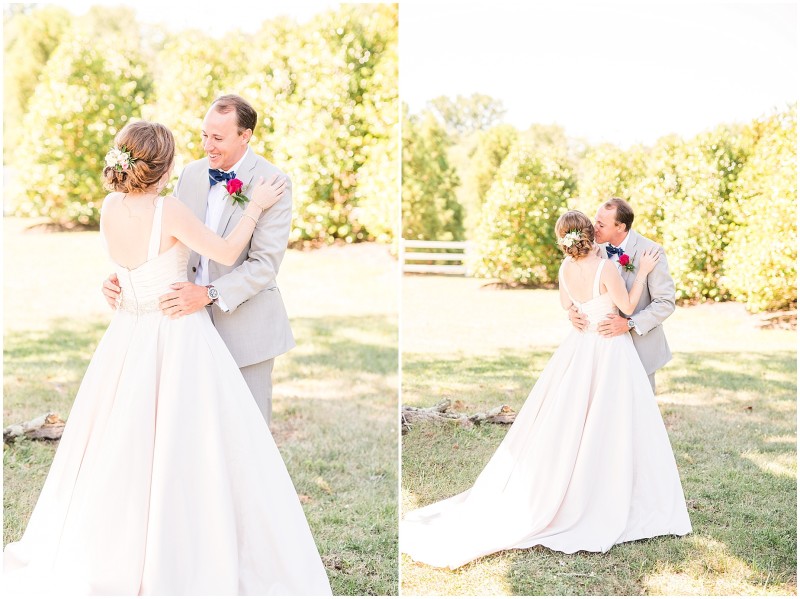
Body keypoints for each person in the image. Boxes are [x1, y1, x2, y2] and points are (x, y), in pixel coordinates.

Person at [3, 121, 332, 595]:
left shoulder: (109, 207)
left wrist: (117, 283)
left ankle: (118, 548)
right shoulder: (169, 209)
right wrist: (255, 207)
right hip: (177, 335)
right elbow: (224, 249)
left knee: (119, 445)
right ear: (167, 165)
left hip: (125, 337)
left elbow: (126, 267)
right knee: (193, 445)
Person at [400, 210, 691, 570]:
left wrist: (577, 313)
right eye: (595, 225)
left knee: (575, 418)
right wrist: (641, 273)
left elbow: (568, 305)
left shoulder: (565, 270)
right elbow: (627, 306)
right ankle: (608, 490)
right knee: (611, 419)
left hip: (582, 347)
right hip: (609, 348)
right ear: (588, 234)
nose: (599, 228)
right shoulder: (607, 268)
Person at [103, 94, 292, 426]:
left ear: (245, 135)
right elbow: (166, 236)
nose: (208, 145)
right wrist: (129, 276)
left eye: (218, 138)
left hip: (245, 328)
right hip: (182, 326)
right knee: (195, 431)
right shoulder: (190, 174)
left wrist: (208, 294)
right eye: (204, 135)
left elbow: (264, 265)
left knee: (247, 431)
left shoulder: (273, 183)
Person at [570, 197, 675, 393]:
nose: (594, 228)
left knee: (639, 410)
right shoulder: (591, 249)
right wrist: (573, 312)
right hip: (601, 348)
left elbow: (665, 302)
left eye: (601, 224)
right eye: (595, 221)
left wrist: (629, 323)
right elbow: (579, 284)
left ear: (620, 227)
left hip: (639, 347)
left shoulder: (651, 252)